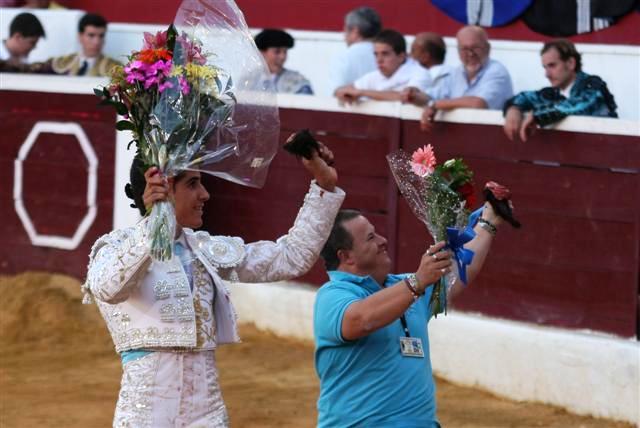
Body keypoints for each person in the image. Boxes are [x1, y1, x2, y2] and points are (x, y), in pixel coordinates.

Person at [82, 142, 344, 426]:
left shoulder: (204, 249)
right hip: (145, 414)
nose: (205, 194)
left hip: (207, 413)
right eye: (193, 184)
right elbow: (108, 288)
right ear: (163, 190)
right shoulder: (116, 246)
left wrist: (324, 188)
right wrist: (155, 224)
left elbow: (290, 257)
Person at [314, 203, 504, 427]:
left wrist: (488, 222)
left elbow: (458, 273)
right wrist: (418, 282)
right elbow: (360, 320)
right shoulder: (332, 295)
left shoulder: (403, 286)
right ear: (346, 257)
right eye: (371, 238)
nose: (382, 240)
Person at [503, 38, 618, 142]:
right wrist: (514, 109)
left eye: (552, 66)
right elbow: (524, 97)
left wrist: (537, 116)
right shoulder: (552, 93)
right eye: (545, 67)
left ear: (571, 63)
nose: (547, 74)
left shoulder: (593, 86)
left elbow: (576, 105)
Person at [420, 25, 513, 132]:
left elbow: (478, 103)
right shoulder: (456, 72)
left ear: (488, 48)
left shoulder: (497, 71)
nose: (470, 53)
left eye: (475, 48)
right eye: (464, 49)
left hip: (489, 138)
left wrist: (435, 105)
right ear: (458, 51)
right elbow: (430, 96)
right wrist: (411, 93)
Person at [334, 29, 429, 103]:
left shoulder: (420, 73)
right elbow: (339, 90)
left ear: (401, 57)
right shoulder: (374, 76)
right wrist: (345, 94)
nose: (379, 60)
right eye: (376, 54)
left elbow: (406, 97)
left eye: (385, 54)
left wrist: (361, 92)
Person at [327, 6, 382, 94]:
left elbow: (335, 94)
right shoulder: (390, 56)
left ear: (355, 31)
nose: (344, 36)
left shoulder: (342, 58)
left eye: (345, 30)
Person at [49, 13, 121, 76]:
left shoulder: (114, 67)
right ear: (80, 37)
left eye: (101, 36)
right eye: (91, 35)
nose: (97, 42)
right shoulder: (63, 62)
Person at [254, 28, 313, 94]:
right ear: (262, 53)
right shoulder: (251, 79)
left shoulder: (297, 80)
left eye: (285, 52)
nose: (283, 57)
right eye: (277, 52)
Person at [401, 32, 453, 106]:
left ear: (425, 56)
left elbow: (407, 96)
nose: (409, 54)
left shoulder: (421, 73)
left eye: (413, 50)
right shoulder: (455, 74)